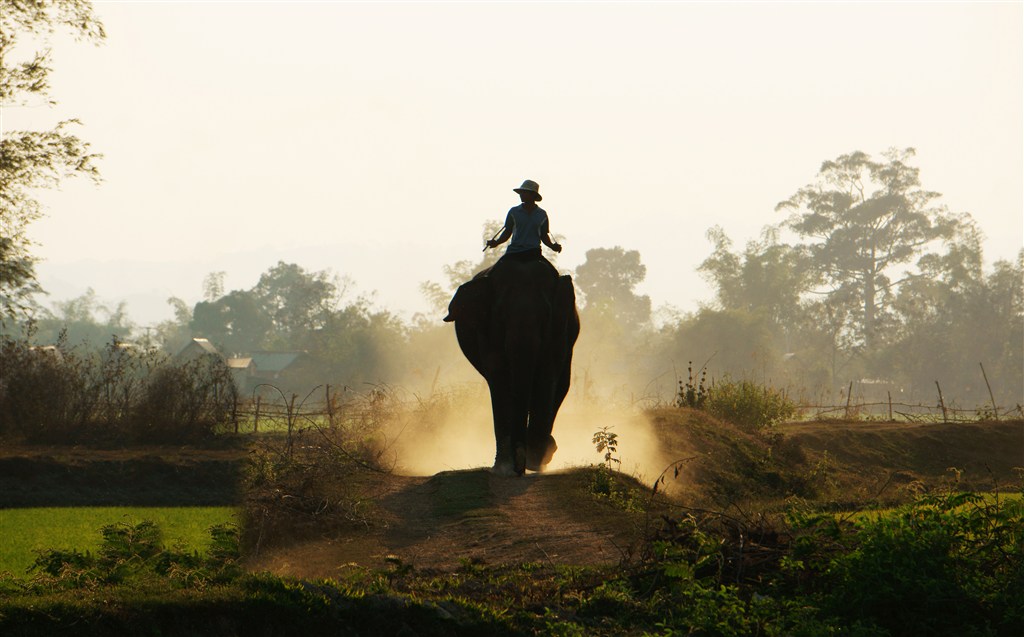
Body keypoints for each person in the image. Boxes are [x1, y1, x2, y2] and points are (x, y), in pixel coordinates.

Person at [485, 179, 562, 275]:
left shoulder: (542, 214)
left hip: (534, 253)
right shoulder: (513, 212)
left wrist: (552, 246)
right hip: (514, 252)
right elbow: (507, 232)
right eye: (521, 193)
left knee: (554, 274)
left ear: (533, 195)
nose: (521, 195)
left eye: (524, 192)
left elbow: (543, 235)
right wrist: (497, 242)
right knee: (492, 274)